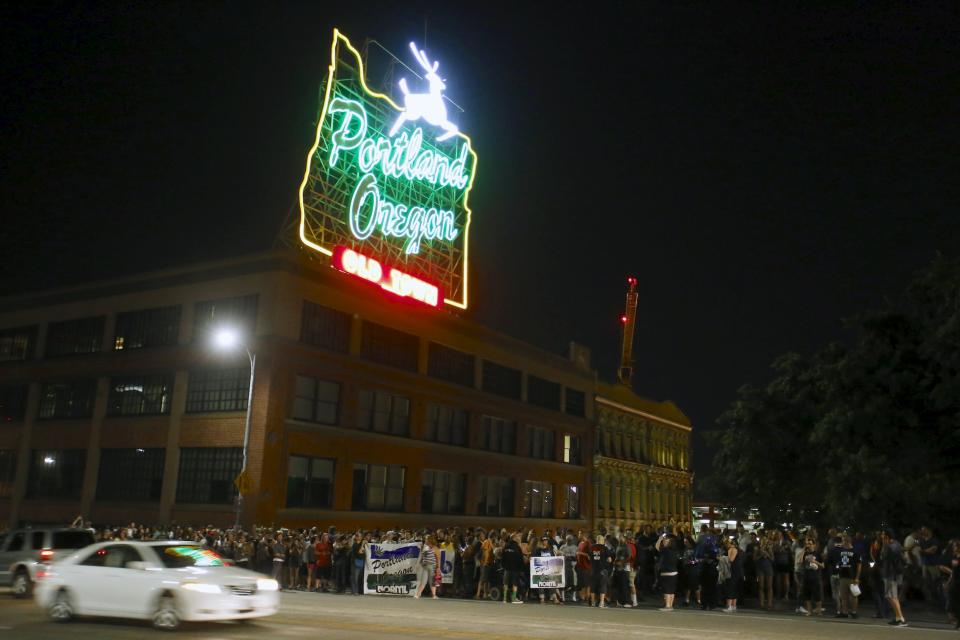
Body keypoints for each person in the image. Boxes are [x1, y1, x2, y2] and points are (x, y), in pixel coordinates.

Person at [881, 529, 908, 627]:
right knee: (893, 596)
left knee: (890, 596)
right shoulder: (897, 544)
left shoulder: (888, 547)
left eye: (883, 535)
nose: (881, 537)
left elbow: (884, 558)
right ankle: (898, 617)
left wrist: (884, 546)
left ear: (887, 536)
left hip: (890, 574)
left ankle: (900, 618)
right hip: (896, 573)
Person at [835, 534, 861, 618]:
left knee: (854, 595)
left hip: (852, 576)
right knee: (843, 596)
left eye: (843, 540)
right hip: (843, 576)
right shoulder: (840, 551)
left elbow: (859, 565)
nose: (842, 542)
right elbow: (839, 562)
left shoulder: (855, 551)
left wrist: (857, 577)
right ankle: (844, 612)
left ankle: (854, 612)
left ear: (847, 541)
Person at [799, 537, 823, 616]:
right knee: (807, 595)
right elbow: (800, 562)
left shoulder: (818, 553)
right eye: (807, 544)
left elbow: (823, 566)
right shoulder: (805, 553)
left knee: (817, 595)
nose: (808, 545)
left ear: (814, 545)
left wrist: (814, 561)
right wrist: (803, 550)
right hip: (806, 576)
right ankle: (809, 611)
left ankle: (819, 611)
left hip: (815, 577)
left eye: (810, 544)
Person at [656, 533, 679, 611]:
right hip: (674, 572)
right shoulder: (675, 550)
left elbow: (657, 547)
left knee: (666, 590)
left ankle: (667, 606)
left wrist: (659, 539)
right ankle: (670, 605)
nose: (664, 541)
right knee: (671, 590)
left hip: (667, 572)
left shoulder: (665, 550)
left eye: (666, 540)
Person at [501, 533, 525, 604]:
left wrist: (503, 566)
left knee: (505, 583)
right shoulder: (517, 547)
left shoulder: (506, 546)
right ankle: (514, 599)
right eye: (517, 537)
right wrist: (521, 568)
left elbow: (503, 557)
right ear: (514, 538)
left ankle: (504, 599)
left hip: (507, 568)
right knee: (515, 584)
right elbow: (520, 559)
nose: (518, 538)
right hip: (515, 569)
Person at [589, 534, 612, 608]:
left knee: (593, 586)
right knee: (603, 585)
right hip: (602, 570)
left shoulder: (591, 547)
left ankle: (592, 602)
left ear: (596, 540)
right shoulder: (605, 548)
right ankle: (601, 603)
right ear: (602, 541)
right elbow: (609, 559)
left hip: (593, 570)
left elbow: (589, 558)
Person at [415, 535, 441, 599]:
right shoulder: (424, 547)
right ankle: (418, 594)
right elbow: (422, 557)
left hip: (433, 566)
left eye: (426, 539)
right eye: (425, 539)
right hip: (425, 566)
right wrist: (418, 564)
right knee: (423, 581)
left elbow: (438, 558)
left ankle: (434, 595)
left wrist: (438, 568)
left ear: (430, 540)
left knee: (432, 582)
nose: (425, 540)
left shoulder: (435, 548)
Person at [755, 531, 775, 610]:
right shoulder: (757, 548)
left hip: (768, 568)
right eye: (762, 541)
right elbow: (754, 559)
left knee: (769, 586)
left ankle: (769, 604)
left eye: (765, 541)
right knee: (761, 586)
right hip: (760, 568)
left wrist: (767, 554)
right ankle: (762, 603)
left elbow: (773, 559)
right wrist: (760, 555)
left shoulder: (769, 548)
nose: (764, 542)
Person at [475, 530, 494, 600]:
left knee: (486, 580)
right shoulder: (487, 542)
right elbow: (485, 553)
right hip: (485, 563)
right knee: (482, 579)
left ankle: (485, 595)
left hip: (487, 563)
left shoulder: (489, 542)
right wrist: (484, 562)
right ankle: (478, 594)